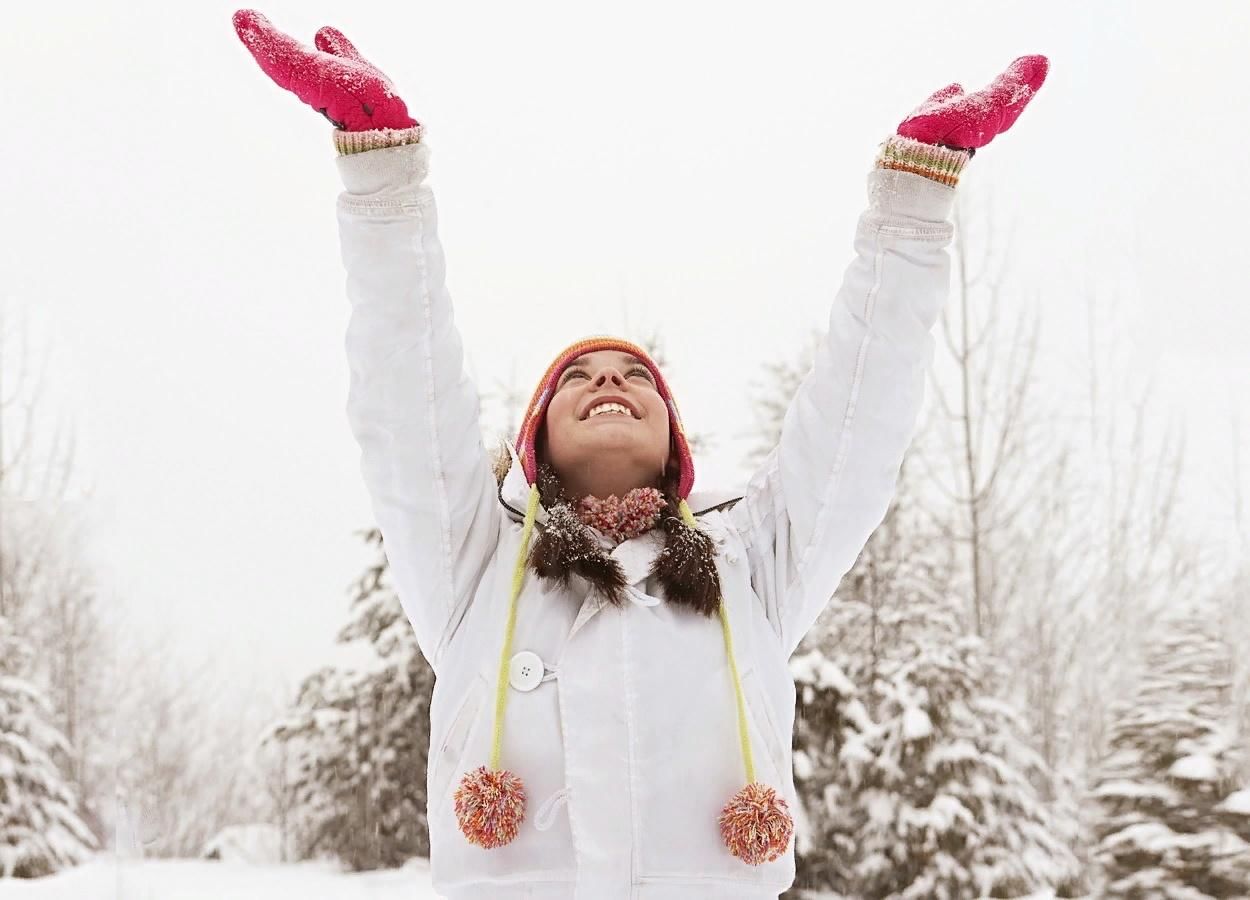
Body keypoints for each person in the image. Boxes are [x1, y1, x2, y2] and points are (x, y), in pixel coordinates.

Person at [233, 11, 1047, 898]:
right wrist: (382, 172)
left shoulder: (753, 565)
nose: (608, 380)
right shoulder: (475, 561)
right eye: (577, 375)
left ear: (674, 445)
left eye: (635, 375)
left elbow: (860, 419)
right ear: (535, 439)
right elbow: (404, 395)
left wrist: (913, 203)